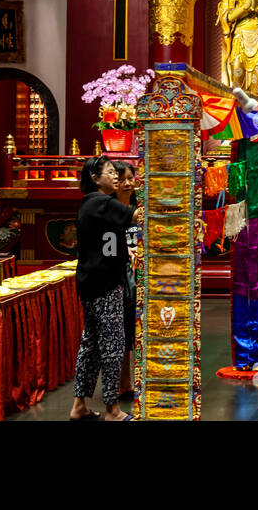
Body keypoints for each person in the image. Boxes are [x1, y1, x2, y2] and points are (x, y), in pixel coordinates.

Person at [70, 157, 142, 421]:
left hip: (90, 282)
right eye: (110, 173)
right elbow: (137, 214)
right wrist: (167, 191)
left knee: (90, 345)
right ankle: (112, 410)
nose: (116, 177)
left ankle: (79, 406)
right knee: (112, 345)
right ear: (94, 177)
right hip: (104, 285)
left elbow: (107, 242)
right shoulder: (102, 201)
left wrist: (126, 251)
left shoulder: (94, 203)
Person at [113, 161, 139, 400]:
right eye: (123, 179)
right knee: (121, 331)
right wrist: (124, 252)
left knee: (134, 330)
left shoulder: (138, 205)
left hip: (141, 277)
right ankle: (123, 381)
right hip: (118, 279)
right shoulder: (108, 210)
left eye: (131, 178)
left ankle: (133, 379)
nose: (128, 183)